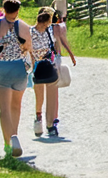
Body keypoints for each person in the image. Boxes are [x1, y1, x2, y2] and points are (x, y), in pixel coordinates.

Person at [0, 0, 32, 157]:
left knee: (4, 108)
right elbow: (28, 47)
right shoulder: (23, 26)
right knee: (16, 106)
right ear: (18, 10)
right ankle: (15, 135)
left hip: (1, 67)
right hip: (18, 68)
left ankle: (7, 143)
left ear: (3, 9)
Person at [33, 9, 77, 138]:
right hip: (50, 64)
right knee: (52, 95)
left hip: (37, 66)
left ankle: (39, 119)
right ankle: (50, 125)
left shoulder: (31, 30)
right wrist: (70, 54)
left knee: (40, 96)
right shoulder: (54, 29)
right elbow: (61, 42)